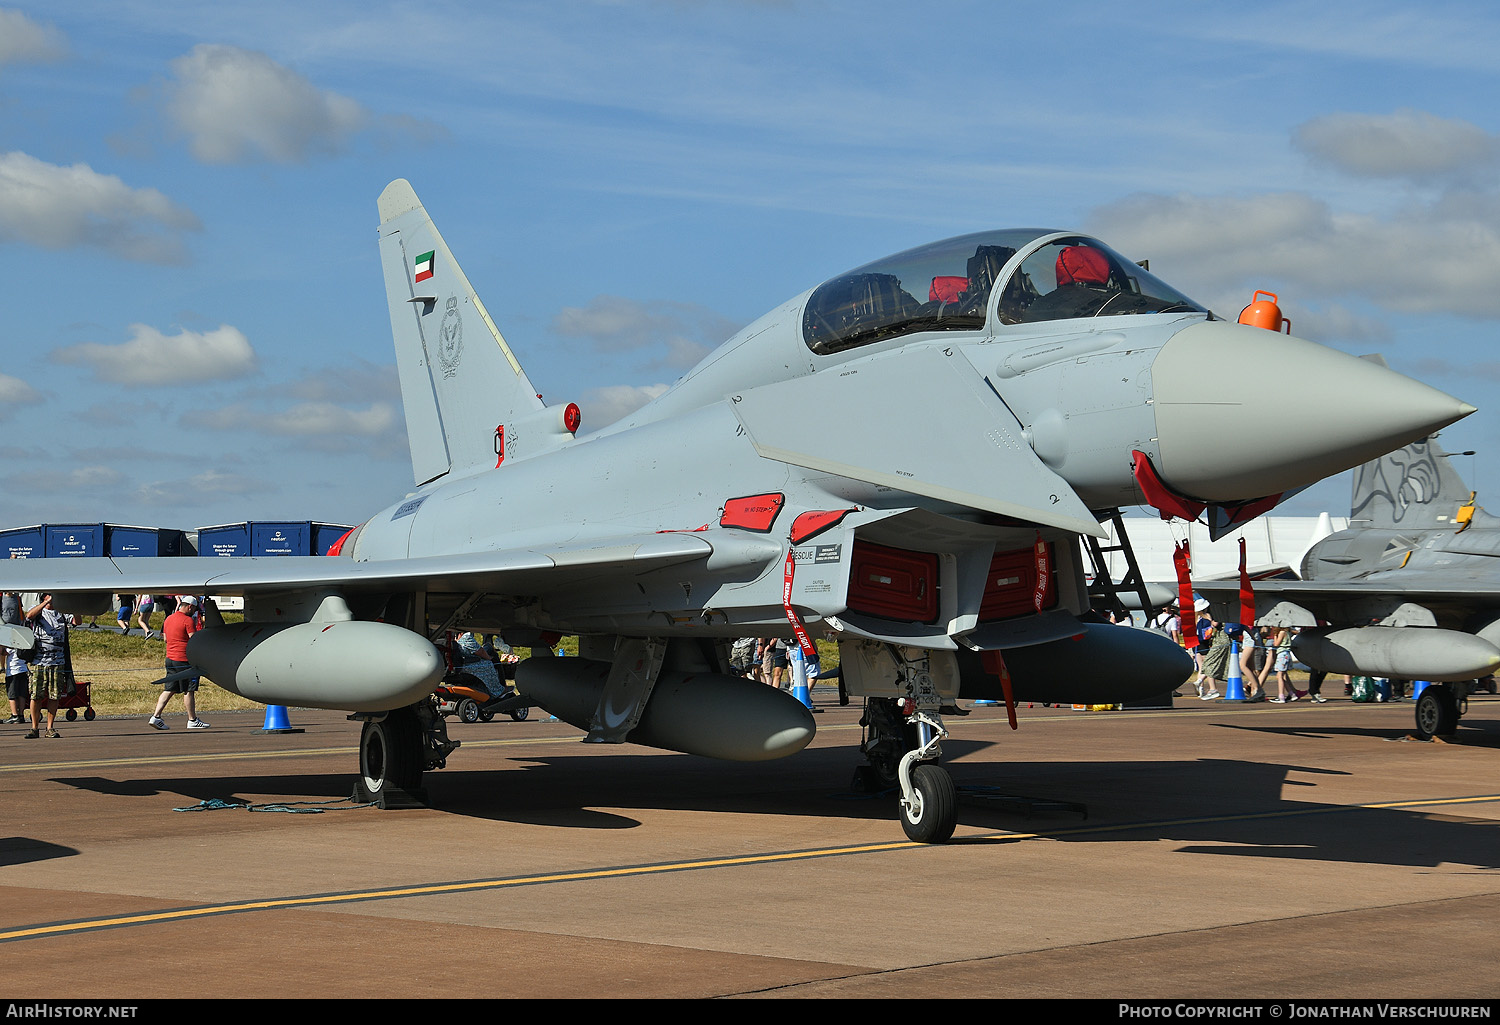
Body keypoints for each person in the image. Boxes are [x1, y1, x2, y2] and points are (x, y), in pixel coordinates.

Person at [148, 596, 209, 730]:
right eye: (194, 609)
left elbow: (165, 639)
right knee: (189, 689)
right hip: (184, 660)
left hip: (170, 658)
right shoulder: (187, 620)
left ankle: (156, 716)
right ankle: (192, 719)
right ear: (190, 607)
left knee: (169, 688)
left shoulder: (168, 618)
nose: (194, 612)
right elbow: (194, 641)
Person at [24, 593, 74, 739]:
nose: (51, 598)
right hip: (39, 661)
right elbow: (29, 615)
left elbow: (77, 620)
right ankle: (34, 728)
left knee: (54, 695)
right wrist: (45, 603)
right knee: (36, 695)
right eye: (48, 595)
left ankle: (50, 727)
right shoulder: (39, 611)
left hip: (58, 662)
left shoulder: (62, 613)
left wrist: (75, 606)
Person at [3, 590, 27, 724]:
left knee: (12, 693)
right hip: (23, 669)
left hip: (12, 670)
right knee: (22, 693)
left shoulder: (9, 643)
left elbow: (3, 652)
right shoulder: (21, 640)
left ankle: (14, 714)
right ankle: (21, 714)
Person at [1195, 617, 1231, 701]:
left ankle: (1202, 684)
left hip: (1219, 641)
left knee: (1208, 664)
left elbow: (1215, 624)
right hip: (1216, 641)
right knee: (1207, 664)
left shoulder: (1202, 617)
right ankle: (1206, 686)